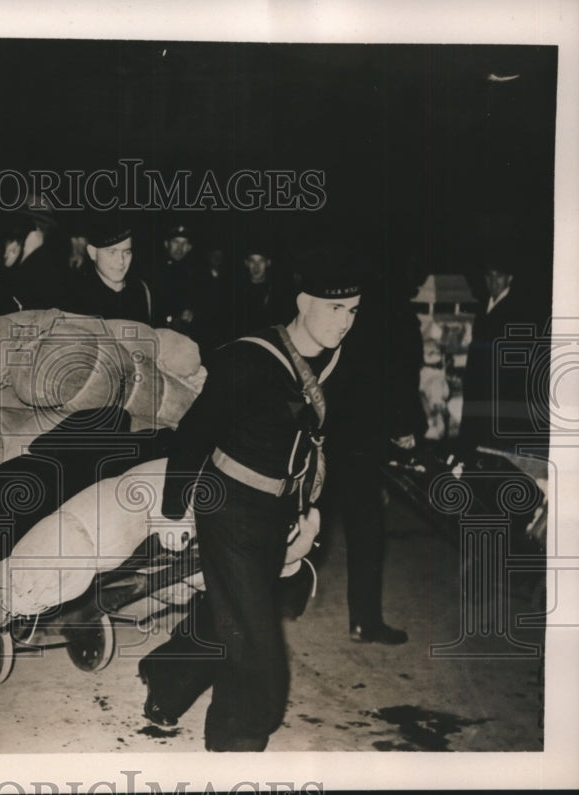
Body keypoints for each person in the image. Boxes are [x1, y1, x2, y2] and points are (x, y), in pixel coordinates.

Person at [139, 252, 363, 751]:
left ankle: (167, 674)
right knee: (255, 638)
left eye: (352, 310)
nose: (344, 322)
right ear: (303, 303)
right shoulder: (249, 358)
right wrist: (172, 511)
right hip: (229, 506)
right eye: (334, 308)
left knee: (233, 611)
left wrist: (312, 514)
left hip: (280, 509)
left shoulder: (338, 362)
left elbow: (326, 446)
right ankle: (234, 741)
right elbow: (194, 434)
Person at [325, 260, 426, 644]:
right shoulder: (400, 318)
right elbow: (401, 378)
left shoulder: (348, 311)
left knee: (307, 517)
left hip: (328, 428)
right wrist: (406, 427)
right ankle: (364, 621)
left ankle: (286, 601)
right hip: (364, 437)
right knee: (365, 529)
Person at [458, 255, 530, 456]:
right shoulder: (483, 305)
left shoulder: (516, 309)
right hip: (477, 384)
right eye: (489, 276)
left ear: (509, 278)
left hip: (499, 386)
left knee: (492, 444)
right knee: (472, 438)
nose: (493, 281)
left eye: (498, 276)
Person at [61, 217, 151, 324]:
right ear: (93, 252)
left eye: (126, 252)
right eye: (112, 252)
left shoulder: (140, 290)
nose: (121, 261)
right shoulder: (76, 296)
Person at [147, 222, 197, 333]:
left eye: (184, 243)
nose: (180, 248)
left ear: (189, 248)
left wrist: (191, 313)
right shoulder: (153, 271)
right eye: (176, 242)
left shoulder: (194, 273)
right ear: (166, 244)